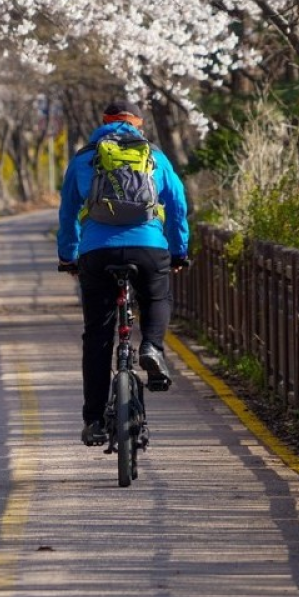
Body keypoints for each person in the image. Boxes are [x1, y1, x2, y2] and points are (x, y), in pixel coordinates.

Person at [57, 100, 190, 446]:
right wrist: (179, 251)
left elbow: (68, 212)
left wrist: (68, 255)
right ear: (139, 124)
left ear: (103, 123)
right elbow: (177, 205)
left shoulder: (84, 158)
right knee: (157, 295)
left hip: (97, 252)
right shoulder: (155, 157)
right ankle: (151, 346)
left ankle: (95, 420)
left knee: (98, 336)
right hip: (148, 247)